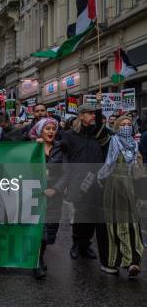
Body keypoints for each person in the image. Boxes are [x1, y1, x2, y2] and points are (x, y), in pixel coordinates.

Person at [60, 101, 111, 261]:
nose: (93, 116)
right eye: (89, 113)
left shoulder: (101, 134)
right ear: (81, 116)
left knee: (93, 214)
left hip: (97, 180)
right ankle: (77, 244)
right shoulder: (69, 135)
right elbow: (63, 157)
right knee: (79, 214)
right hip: (78, 180)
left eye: (94, 114)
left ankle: (86, 244)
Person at [96, 116, 144, 277]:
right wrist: (98, 106)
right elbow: (99, 133)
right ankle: (114, 262)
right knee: (114, 226)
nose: (126, 127)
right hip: (114, 188)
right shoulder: (111, 141)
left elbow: (138, 174)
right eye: (122, 124)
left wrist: (139, 164)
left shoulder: (134, 145)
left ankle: (133, 261)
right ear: (116, 127)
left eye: (129, 124)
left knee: (132, 225)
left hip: (130, 189)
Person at [28, 118, 66, 279]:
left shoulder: (61, 149)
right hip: (34, 195)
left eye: (53, 129)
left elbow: (66, 172)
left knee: (48, 231)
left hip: (53, 197)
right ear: (39, 131)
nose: (51, 131)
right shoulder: (31, 148)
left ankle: (39, 257)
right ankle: (37, 262)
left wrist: (55, 189)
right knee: (38, 229)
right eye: (47, 129)